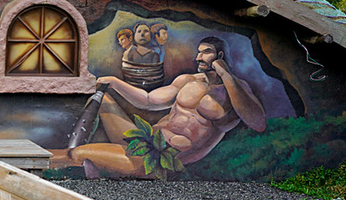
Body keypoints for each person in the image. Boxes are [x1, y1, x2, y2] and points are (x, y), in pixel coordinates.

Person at [64, 36, 266, 177]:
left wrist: (225, 75)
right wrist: (114, 82)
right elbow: (149, 100)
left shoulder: (237, 91)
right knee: (104, 100)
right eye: (198, 53)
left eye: (206, 53)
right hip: (145, 140)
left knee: (79, 155)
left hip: (159, 159)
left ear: (220, 55)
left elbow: (257, 123)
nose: (198, 57)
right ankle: (87, 160)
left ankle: (85, 163)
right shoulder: (188, 80)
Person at [121, 22, 165, 90]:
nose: (142, 34)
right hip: (131, 88)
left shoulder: (154, 55)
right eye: (139, 31)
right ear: (134, 36)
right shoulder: (129, 53)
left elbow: (155, 76)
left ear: (150, 36)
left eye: (146, 31)